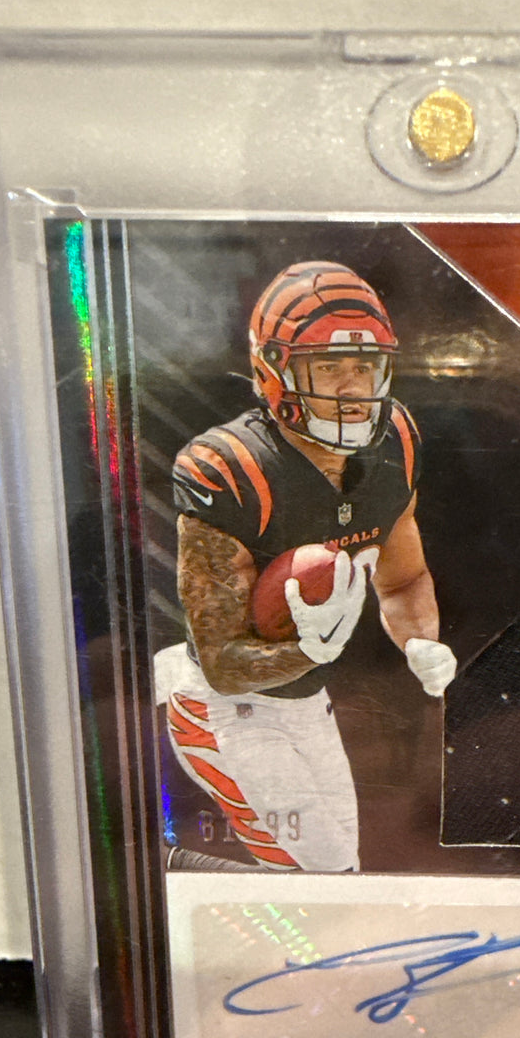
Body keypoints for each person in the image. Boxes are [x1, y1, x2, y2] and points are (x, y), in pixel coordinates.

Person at [155, 261, 456, 872]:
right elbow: (224, 663)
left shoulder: (396, 441)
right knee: (322, 872)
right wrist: (308, 651)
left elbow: (404, 579)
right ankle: (163, 871)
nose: (352, 388)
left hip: (306, 698)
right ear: (274, 370)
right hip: (223, 704)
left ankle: (174, 868)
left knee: (339, 874)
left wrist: (420, 640)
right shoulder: (230, 468)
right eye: (329, 366)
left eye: (364, 367)